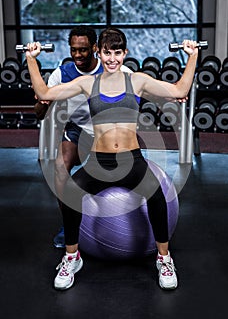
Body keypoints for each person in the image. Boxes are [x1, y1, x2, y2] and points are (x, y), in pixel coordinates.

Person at [26, 27, 198, 291]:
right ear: (99, 52)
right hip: (99, 161)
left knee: (156, 198)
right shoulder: (88, 84)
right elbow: (45, 94)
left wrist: (192, 56)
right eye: (107, 52)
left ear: (125, 53)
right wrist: (31, 58)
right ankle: (72, 256)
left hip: (132, 159)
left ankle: (164, 258)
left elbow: (179, 90)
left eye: (117, 53)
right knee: (70, 194)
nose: (112, 59)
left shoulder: (137, 80)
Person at [34, 26, 132, 248]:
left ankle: (117, 219)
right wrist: (43, 101)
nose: (77, 55)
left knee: (118, 173)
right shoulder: (62, 73)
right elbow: (39, 113)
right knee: (60, 167)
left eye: (84, 50)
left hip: (107, 131)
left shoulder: (113, 68)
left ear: (95, 49)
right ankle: (68, 225)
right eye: (74, 50)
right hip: (77, 128)